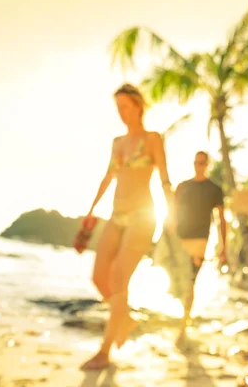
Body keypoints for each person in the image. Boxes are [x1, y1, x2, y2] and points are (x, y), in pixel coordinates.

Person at [80, 83, 173, 370]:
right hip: (116, 215)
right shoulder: (118, 143)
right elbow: (107, 178)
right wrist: (91, 210)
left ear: (138, 105)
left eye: (124, 107)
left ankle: (104, 352)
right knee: (99, 278)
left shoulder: (153, 138)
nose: (120, 113)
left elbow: (164, 178)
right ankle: (126, 318)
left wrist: (174, 215)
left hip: (142, 217)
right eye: (117, 108)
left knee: (119, 279)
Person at [173, 151, 227, 344]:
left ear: (208, 165)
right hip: (179, 238)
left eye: (202, 163)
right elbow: (173, 213)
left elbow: (222, 220)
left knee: (190, 281)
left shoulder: (214, 189)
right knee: (177, 281)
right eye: (196, 162)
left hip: (200, 240)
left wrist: (223, 247)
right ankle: (181, 319)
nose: (199, 166)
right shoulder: (182, 186)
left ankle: (183, 326)